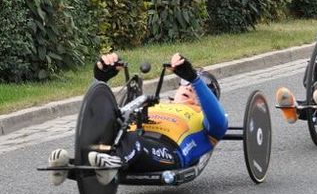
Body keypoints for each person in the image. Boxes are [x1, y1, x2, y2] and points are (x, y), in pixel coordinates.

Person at [48, 53, 228, 186]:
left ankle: (112, 162)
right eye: (185, 83)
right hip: (128, 141)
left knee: (135, 140)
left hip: (167, 153)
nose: (189, 88)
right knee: (115, 126)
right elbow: (101, 114)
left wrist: (194, 79)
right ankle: (70, 165)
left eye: (203, 87)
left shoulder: (205, 118)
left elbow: (220, 124)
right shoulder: (160, 103)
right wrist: (100, 79)